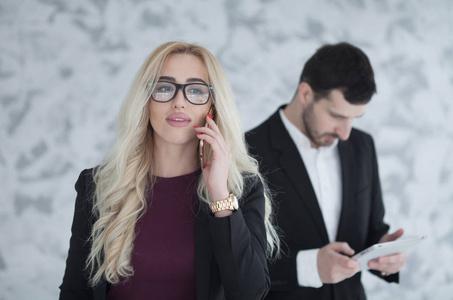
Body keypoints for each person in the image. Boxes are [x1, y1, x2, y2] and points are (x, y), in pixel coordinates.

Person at [59, 41, 279, 300]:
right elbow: (75, 291)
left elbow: (249, 294)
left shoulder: (241, 189)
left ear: (213, 106)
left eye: (196, 90)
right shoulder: (99, 185)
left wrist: (219, 193)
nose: (179, 102)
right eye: (164, 88)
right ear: (145, 101)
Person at [245, 42, 407, 299]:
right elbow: (236, 261)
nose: (345, 133)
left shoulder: (362, 146)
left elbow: (372, 230)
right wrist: (309, 267)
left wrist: (383, 253)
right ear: (306, 93)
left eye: (355, 118)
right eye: (337, 116)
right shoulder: (246, 153)